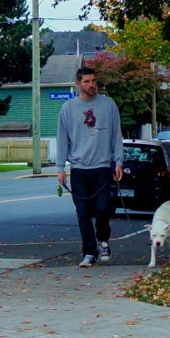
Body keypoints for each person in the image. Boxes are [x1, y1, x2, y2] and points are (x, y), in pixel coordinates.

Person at [54, 63, 124, 266]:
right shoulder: (68, 108)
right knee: (83, 212)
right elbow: (62, 139)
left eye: (94, 80)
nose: (92, 84)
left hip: (102, 167)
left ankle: (103, 240)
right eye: (87, 81)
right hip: (79, 169)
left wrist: (118, 161)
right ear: (78, 84)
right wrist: (60, 168)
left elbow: (116, 135)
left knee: (103, 209)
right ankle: (89, 252)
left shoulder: (108, 104)